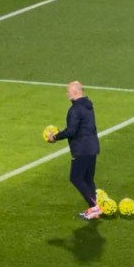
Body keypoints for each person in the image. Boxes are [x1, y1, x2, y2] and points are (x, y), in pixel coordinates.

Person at [46, 81, 101, 220]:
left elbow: (71, 131)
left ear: (75, 92)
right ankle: (94, 209)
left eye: (68, 91)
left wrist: (55, 137)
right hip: (92, 147)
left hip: (81, 149)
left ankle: (94, 207)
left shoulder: (75, 109)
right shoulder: (88, 106)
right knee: (88, 180)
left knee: (76, 178)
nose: (67, 93)